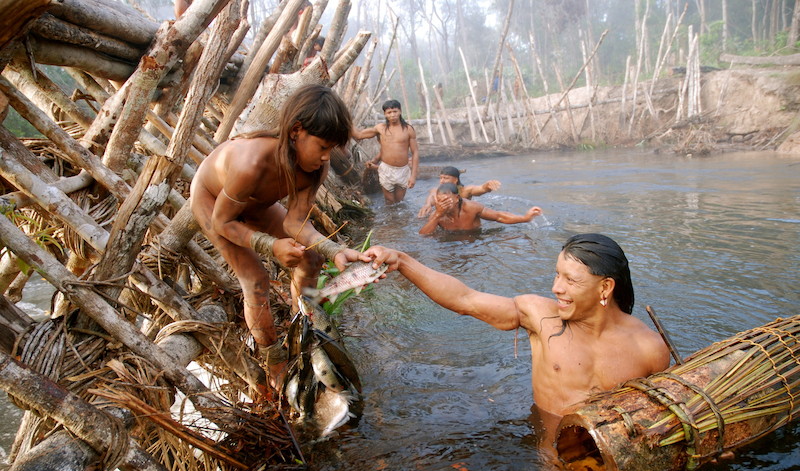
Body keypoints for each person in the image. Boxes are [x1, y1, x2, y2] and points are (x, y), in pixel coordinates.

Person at [364, 233, 670, 421]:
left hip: (612, 455)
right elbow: (464, 299)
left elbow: (662, 416)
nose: (556, 288)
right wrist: (402, 261)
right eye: (556, 275)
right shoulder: (539, 317)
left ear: (605, 288)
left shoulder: (650, 348)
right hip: (547, 449)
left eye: (570, 280)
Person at [190, 85, 370, 389]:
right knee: (255, 279)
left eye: (331, 150)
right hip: (213, 203)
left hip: (256, 203)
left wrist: (333, 249)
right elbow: (223, 222)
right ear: (296, 131)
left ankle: (304, 323)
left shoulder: (314, 168)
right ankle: (274, 360)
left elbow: (296, 222)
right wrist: (270, 245)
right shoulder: (251, 163)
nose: (327, 157)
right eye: (323, 147)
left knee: (310, 258)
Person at [352, 99, 419, 205]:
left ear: (400, 111)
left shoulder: (408, 129)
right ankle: (390, 221)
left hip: (403, 170)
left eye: (395, 111)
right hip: (386, 169)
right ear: (385, 114)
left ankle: (401, 221)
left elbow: (415, 153)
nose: (392, 115)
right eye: (389, 112)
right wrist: (344, 121)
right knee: (389, 201)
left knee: (399, 201)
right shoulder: (380, 128)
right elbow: (359, 135)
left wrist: (413, 176)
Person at [419, 182, 542, 235]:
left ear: (457, 198)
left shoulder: (471, 208)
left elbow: (499, 216)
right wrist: (437, 215)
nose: (443, 204)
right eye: (440, 201)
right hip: (450, 243)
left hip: (477, 237)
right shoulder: (438, 215)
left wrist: (525, 218)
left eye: (447, 200)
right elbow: (423, 235)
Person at [418, 166, 502, 218]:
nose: (442, 181)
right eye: (440, 178)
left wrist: (487, 186)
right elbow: (432, 195)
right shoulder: (437, 190)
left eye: (446, 178)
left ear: (455, 180)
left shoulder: (464, 191)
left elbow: (480, 189)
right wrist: (428, 204)